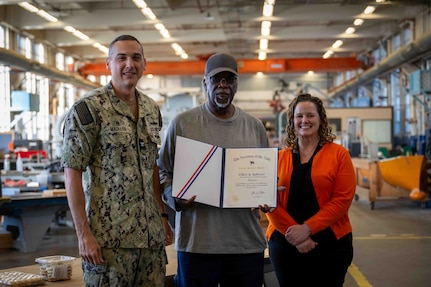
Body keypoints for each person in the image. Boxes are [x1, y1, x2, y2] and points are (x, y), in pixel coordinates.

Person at [62, 34, 173, 287]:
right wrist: (83, 235)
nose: (129, 64)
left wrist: (162, 216)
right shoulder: (89, 109)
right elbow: (72, 172)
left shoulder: (151, 109)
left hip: (150, 241)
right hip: (109, 243)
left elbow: (151, 166)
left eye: (135, 58)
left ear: (145, 64)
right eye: (121, 58)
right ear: (108, 64)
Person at [157, 53, 269, 287]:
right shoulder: (182, 124)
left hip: (245, 243)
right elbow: (161, 171)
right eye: (217, 79)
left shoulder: (254, 127)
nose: (223, 86)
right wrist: (174, 197)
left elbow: (264, 174)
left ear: (237, 85)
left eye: (229, 80)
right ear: (205, 83)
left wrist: (266, 195)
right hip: (197, 244)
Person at [264, 93, 356, 287]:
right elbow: (269, 200)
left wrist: (307, 229)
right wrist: (296, 237)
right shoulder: (278, 158)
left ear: (320, 119)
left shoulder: (339, 155)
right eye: (299, 116)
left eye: (310, 115)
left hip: (331, 245)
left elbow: (342, 200)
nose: (304, 120)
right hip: (285, 243)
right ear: (292, 121)